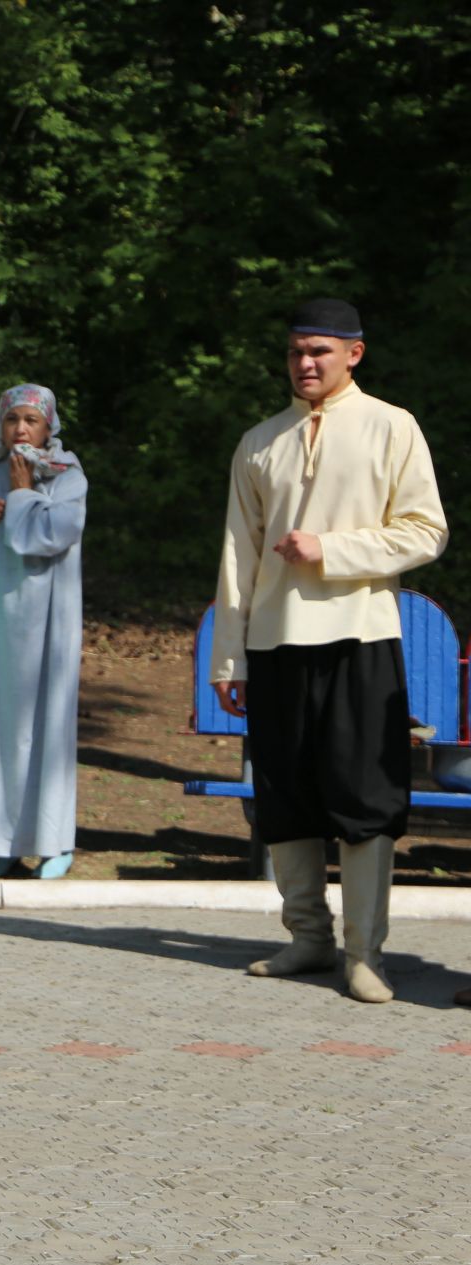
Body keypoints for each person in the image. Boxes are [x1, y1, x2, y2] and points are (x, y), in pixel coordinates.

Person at [212, 299, 446, 1004]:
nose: (305, 364)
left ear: (354, 354)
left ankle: (364, 953)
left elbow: (425, 530)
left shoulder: (391, 427)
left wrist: (333, 550)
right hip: (276, 640)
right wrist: (232, 657)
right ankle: (307, 937)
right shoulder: (261, 441)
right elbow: (236, 556)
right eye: (294, 352)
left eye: (319, 351)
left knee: (364, 795)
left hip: (361, 634)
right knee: (284, 790)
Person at [0, 384, 87, 878]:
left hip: (47, 621)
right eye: (13, 420)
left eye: (31, 420)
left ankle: (52, 843)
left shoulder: (68, 476)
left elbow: (51, 535)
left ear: (49, 427)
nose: (22, 429)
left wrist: (25, 492)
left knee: (45, 727)